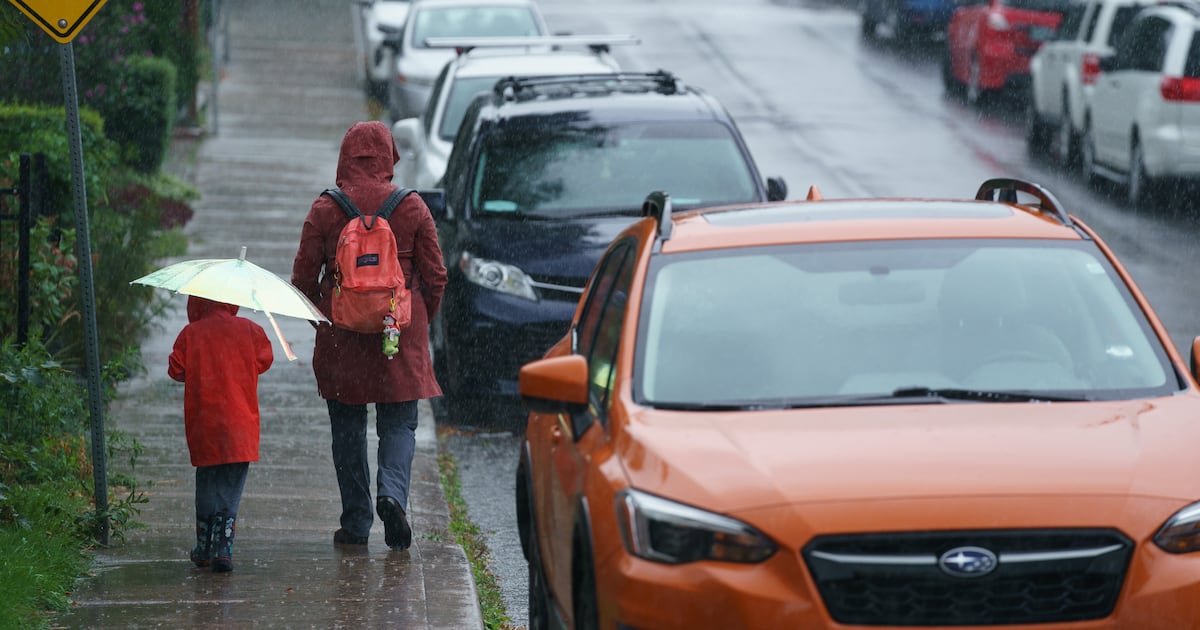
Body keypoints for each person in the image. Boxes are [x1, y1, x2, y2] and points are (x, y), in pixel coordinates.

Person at [291, 120, 448, 549]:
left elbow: (302, 281)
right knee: (399, 424)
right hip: (397, 337)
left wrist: (328, 321)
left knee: (347, 429)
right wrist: (413, 321)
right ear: (389, 158)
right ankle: (392, 495)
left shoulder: (326, 209)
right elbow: (436, 277)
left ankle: (357, 522)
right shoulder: (412, 208)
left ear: (345, 157)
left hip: (343, 340)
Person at [168, 295, 274, 573]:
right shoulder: (250, 331)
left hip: (205, 423)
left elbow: (175, 368)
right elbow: (265, 360)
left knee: (206, 480)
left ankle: (203, 545)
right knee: (231, 483)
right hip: (240, 425)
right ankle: (223, 547)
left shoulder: (191, 334)